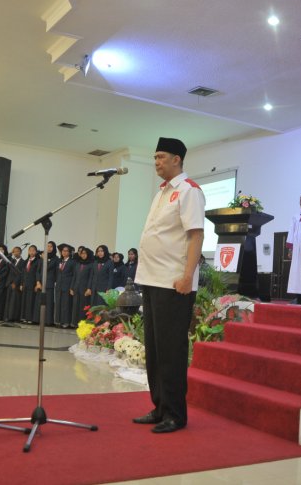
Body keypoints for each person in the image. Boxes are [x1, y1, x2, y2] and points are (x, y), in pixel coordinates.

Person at [133, 137, 205, 434]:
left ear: (177, 159)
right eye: (155, 157)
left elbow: (196, 235)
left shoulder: (189, 191)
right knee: (154, 349)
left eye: (161, 156)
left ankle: (175, 414)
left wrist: (188, 276)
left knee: (171, 351)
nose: (156, 162)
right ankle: (160, 407)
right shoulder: (162, 192)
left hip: (174, 283)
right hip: (151, 279)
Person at [70, 247, 95, 327]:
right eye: (82, 253)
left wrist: (89, 288)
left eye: (85, 253)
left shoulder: (91, 264)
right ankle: (75, 323)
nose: (83, 255)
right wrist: (71, 287)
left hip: (85, 288)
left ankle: (83, 323)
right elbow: (74, 276)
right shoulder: (78, 264)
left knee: (83, 306)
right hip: (76, 288)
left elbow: (91, 277)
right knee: (75, 306)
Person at [54, 244, 76, 328]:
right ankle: (58, 321)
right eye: (63, 251)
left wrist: (71, 287)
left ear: (69, 252)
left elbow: (74, 275)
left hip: (67, 286)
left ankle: (66, 322)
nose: (64, 252)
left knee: (65, 305)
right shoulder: (60, 261)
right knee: (58, 304)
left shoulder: (72, 262)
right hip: (59, 286)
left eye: (66, 251)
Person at [20, 244, 42, 324]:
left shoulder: (38, 261)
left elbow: (38, 272)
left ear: (36, 252)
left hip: (32, 284)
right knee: (25, 301)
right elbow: (23, 273)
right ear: (28, 251)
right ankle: (24, 318)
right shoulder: (26, 261)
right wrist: (21, 284)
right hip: (25, 284)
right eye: (30, 250)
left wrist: (37, 283)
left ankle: (30, 318)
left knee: (31, 301)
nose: (31, 252)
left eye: (33, 250)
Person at [39, 241, 58, 326]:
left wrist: (44, 259)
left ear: (54, 248)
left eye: (51, 246)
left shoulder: (56, 258)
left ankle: (49, 321)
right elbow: (39, 270)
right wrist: (38, 281)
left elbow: (48, 267)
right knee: (41, 303)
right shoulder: (42, 258)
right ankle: (40, 320)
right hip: (41, 283)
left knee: (49, 303)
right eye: (47, 246)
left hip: (50, 283)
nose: (49, 248)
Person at [4, 246, 24, 322]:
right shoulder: (11, 261)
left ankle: (13, 317)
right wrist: (10, 253)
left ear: (20, 252)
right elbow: (8, 270)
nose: (16, 253)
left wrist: (15, 282)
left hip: (16, 284)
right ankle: (7, 316)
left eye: (17, 251)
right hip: (9, 283)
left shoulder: (23, 262)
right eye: (14, 251)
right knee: (8, 301)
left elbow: (21, 274)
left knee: (14, 301)